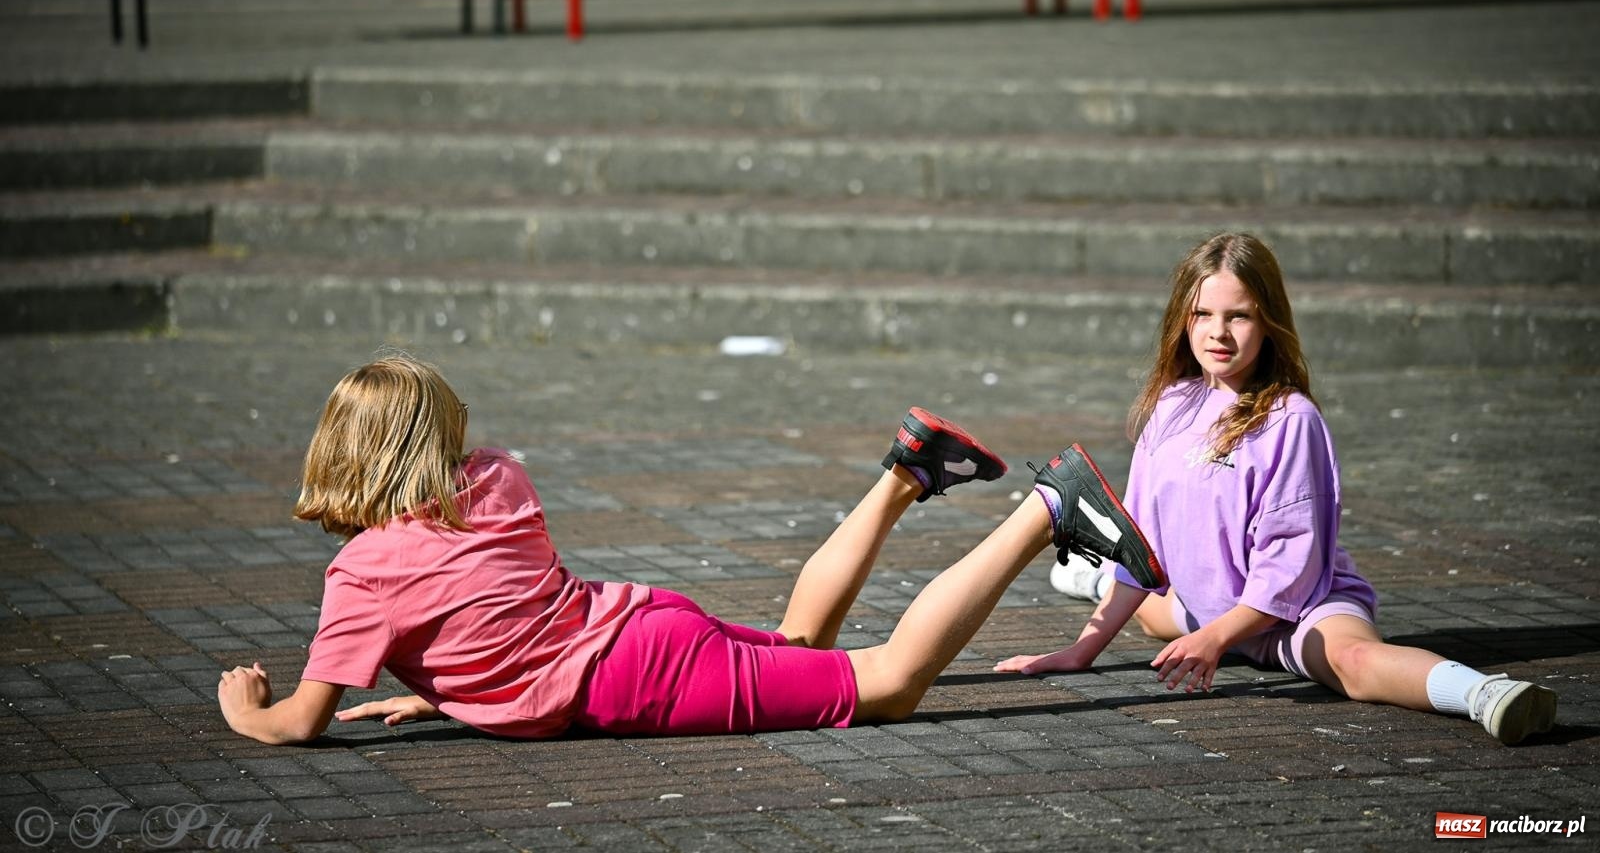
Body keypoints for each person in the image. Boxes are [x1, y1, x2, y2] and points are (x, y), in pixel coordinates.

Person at [217, 353, 1166, 744]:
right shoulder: (492, 480)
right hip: (641, 618)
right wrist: (443, 680)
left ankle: (1047, 505)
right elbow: (491, 601)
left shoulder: (359, 576)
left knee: (889, 683)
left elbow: (303, 722)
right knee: (802, 638)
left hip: (631, 679)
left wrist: (246, 711)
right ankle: (907, 472)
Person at [996, 232, 1558, 745]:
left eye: (1239, 316)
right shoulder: (1170, 406)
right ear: (1181, 320)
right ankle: (1094, 580)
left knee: (1355, 665)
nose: (1218, 333)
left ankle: (1484, 695)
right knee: (1147, 612)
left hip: (1292, 611)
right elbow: (1141, 547)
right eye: (1202, 314)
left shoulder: (1291, 419)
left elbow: (1290, 565)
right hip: (1206, 606)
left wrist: (1217, 639)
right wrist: (1081, 652)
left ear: (1269, 323)